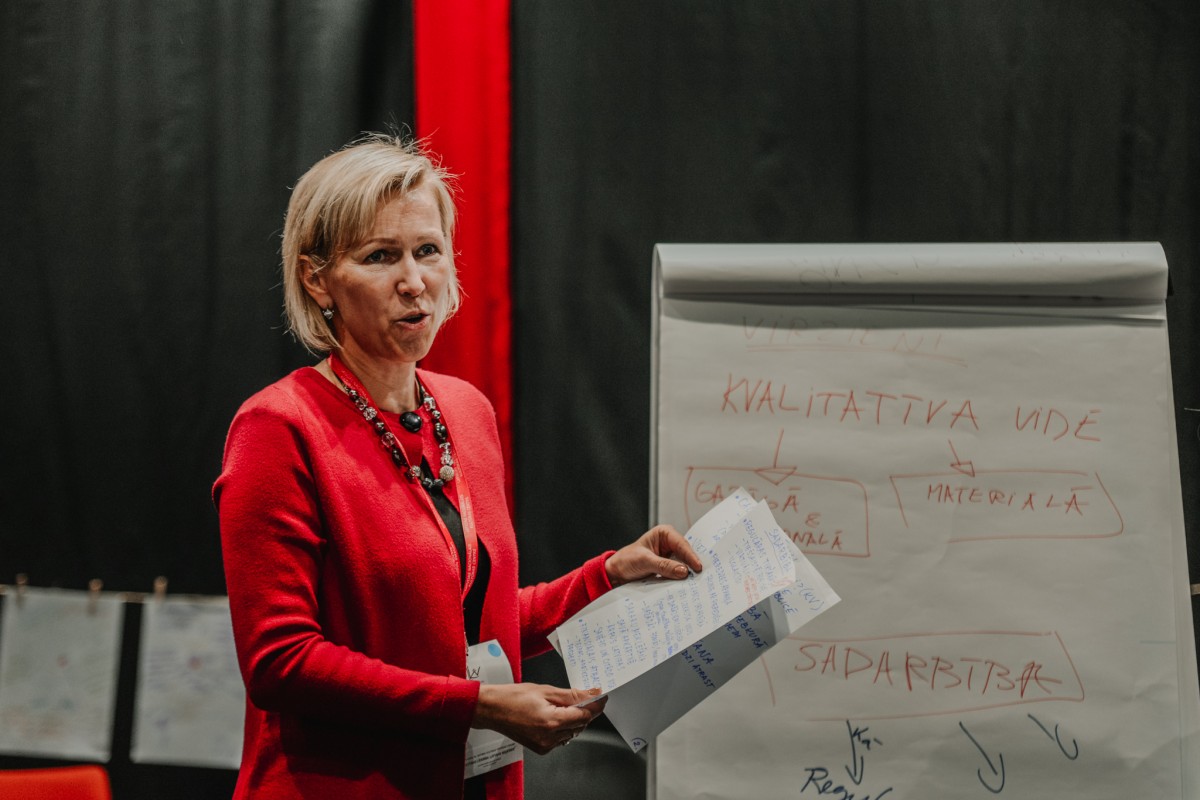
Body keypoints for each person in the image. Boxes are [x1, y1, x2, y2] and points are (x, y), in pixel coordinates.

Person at [213, 133, 702, 800]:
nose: (414, 282)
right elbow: (281, 662)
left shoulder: (466, 411)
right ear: (316, 278)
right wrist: (478, 706)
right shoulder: (278, 427)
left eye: (428, 251)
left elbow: (470, 622)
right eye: (380, 256)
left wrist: (608, 575)